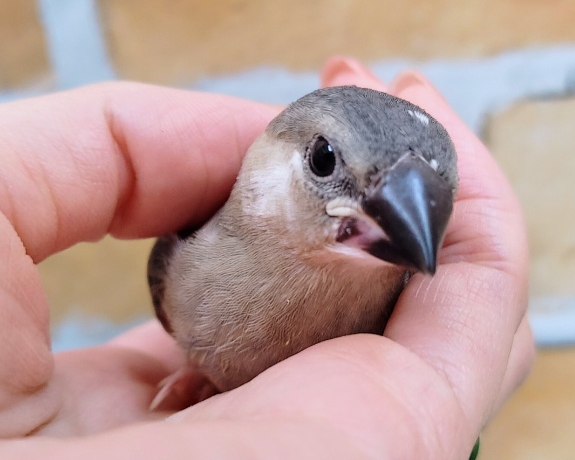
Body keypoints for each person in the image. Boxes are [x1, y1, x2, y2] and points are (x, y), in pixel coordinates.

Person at [0, 57, 532, 458]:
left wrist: (447, 437)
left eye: (432, 203)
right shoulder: (188, 265)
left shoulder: (410, 297)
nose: (403, 223)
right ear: (263, 164)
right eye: (325, 162)